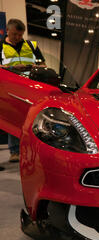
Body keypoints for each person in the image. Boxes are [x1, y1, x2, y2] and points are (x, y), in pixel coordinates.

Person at [0, 18, 46, 163]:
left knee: (32, 119)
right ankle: (15, 151)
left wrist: (35, 68)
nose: (18, 38)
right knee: (15, 117)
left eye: (20, 35)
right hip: (9, 88)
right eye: (15, 35)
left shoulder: (31, 45)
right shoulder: (0, 46)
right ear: (7, 31)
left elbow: (43, 64)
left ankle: (32, 152)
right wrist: (13, 68)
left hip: (30, 87)